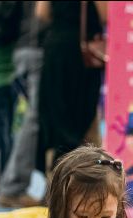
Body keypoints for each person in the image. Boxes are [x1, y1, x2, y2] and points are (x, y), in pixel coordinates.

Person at [36, 1, 106, 174]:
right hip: (81, 53)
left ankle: (55, 183)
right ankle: (83, 181)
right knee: (81, 120)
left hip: (54, 47)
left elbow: (42, 13)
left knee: (58, 121)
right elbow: (105, 15)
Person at [0, 1, 47, 208]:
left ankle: (16, 184)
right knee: (32, 121)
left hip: (25, 48)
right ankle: (13, 185)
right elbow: (42, 15)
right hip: (34, 47)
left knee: (30, 120)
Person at [0, 1, 20, 195]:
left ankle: (0, 180)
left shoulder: (2, 13)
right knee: (2, 132)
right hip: (1, 79)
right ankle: (0, 178)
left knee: (0, 133)